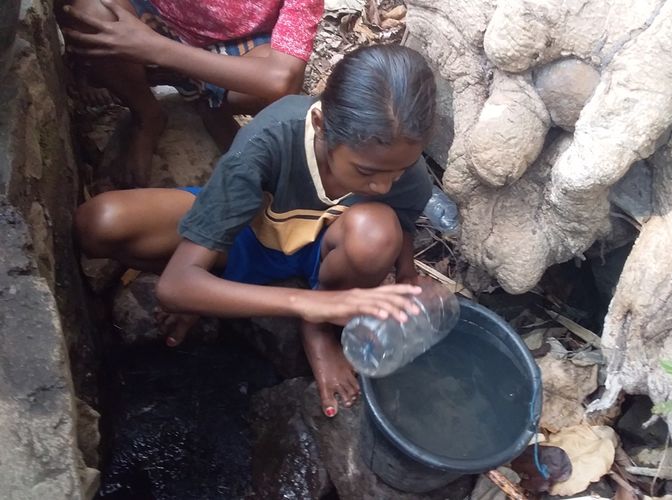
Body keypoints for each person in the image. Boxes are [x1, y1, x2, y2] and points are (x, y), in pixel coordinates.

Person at [74, 44, 437, 417]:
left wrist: (408, 276)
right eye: (366, 172)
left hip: (328, 257)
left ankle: (318, 331)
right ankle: (225, 284)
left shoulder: (404, 171)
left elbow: (402, 223)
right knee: (99, 223)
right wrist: (307, 304)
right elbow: (174, 287)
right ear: (321, 124)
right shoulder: (271, 138)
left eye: (397, 171)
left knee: (378, 235)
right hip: (245, 235)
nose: (384, 186)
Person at [58, 0, 324, 187]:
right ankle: (146, 114)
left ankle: (210, 103)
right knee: (90, 14)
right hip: (152, 23)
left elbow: (281, 79)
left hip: (239, 47)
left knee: (277, 90)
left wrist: (154, 48)